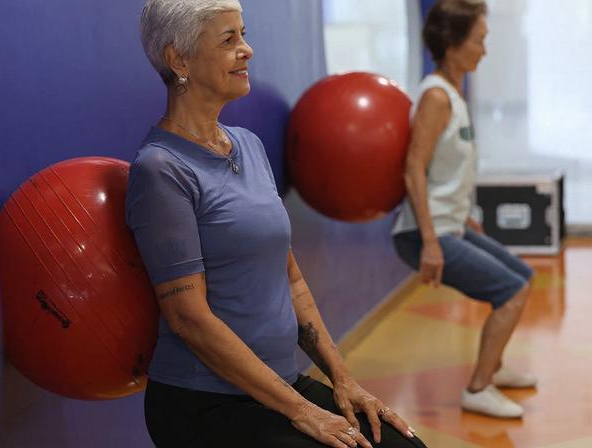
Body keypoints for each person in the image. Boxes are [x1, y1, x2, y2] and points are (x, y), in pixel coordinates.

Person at [126, 1, 428, 447]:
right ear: (179, 59)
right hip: (204, 404)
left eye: (243, 34)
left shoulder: (248, 146)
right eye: (228, 39)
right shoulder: (161, 169)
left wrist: (343, 379)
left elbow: (292, 280)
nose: (246, 49)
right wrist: (304, 412)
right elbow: (189, 319)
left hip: (279, 386)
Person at [392, 0, 536, 419]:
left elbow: (446, 171)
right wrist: (430, 243)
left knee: (523, 276)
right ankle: (478, 388)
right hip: (423, 232)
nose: (485, 50)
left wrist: (463, 214)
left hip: (448, 222)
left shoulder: (454, 93)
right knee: (510, 292)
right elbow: (414, 169)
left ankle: (494, 366)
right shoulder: (436, 97)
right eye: (479, 40)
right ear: (453, 43)